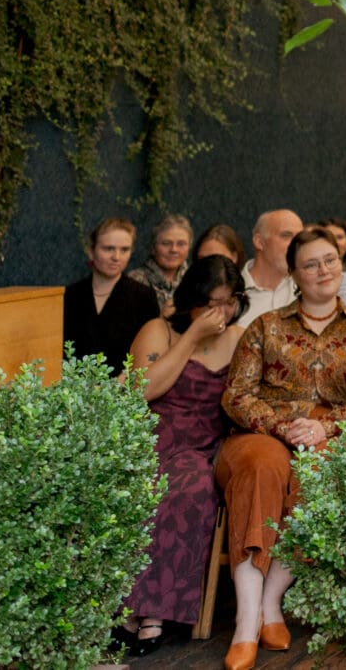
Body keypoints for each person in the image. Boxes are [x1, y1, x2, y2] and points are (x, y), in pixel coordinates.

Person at [215, 225, 346, 669]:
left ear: (340, 265)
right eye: (310, 264)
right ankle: (247, 621)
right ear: (294, 275)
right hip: (260, 436)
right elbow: (236, 396)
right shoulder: (264, 327)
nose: (322, 270)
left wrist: (326, 428)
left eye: (329, 260)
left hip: (329, 439)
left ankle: (271, 603)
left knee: (320, 472)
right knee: (262, 469)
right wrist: (284, 427)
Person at [118, 255, 246, 654]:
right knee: (137, 485)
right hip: (153, 436)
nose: (219, 312)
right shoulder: (160, 330)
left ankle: (155, 610)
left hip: (202, 445)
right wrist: (191, 336)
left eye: (227, 301)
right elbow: (143, 390)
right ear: (192, 298)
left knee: (189, 489)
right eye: (211, 301)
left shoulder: (241, 337)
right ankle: (124, 607)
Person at [64, 217, 162, 380]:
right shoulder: (70, 295)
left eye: (124, 250)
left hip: (124, 391)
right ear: (91, 251)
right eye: (108, 249)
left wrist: (119, 384)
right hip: (73, 392)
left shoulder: (143, 296)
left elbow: (150, 352)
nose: (116, 257)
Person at [128, 214, 195, 317]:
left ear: (189, 247)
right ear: (153, 248)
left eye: (181, 244)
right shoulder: (134, 281)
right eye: (166, 243)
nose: (174, 250)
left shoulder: (197, 279)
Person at [241, 209, 302, 317]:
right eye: (286, 235)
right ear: (259, 242)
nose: (296, 244)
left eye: (299, 237)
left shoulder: (308, 287)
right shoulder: (232, 292)